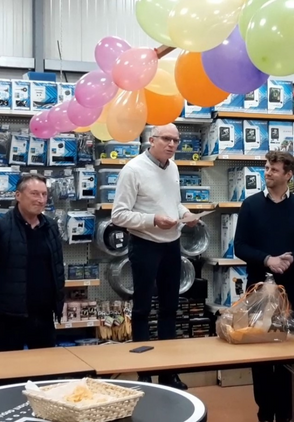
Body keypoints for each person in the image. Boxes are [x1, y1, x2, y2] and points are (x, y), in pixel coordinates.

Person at [234, 151, 294, 422]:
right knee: (259, 358)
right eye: (267, 167)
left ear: (288, 175)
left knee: (287, 355)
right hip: (258, 290)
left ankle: (285, 414)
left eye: (274, 169)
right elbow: (240, 246)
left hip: (291, 290)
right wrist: (267, 259)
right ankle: (264, 413)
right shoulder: (250, 205)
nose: (268, 172)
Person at [112, 123, 198, 390]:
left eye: (176, 140)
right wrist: (152, 220)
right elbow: (119, 215)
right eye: (166, 139)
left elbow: (173, 201)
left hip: (172, 244)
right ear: (152, 139)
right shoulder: (133, 170)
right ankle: (145, 373)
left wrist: (185, 214)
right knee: (141, 309)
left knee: (170, 308)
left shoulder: (172, 167)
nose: (172, 145)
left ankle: (168, 372)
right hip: (145, 244)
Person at [0, 174, 65, 352]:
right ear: (18, 196)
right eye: (35, 194)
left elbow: (56, 267)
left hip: (44, 316)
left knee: (46, 370)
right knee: (9, 370)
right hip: (10, 318)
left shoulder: (51, 227)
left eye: (44, 195)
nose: (40, 200)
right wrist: (3, 298)